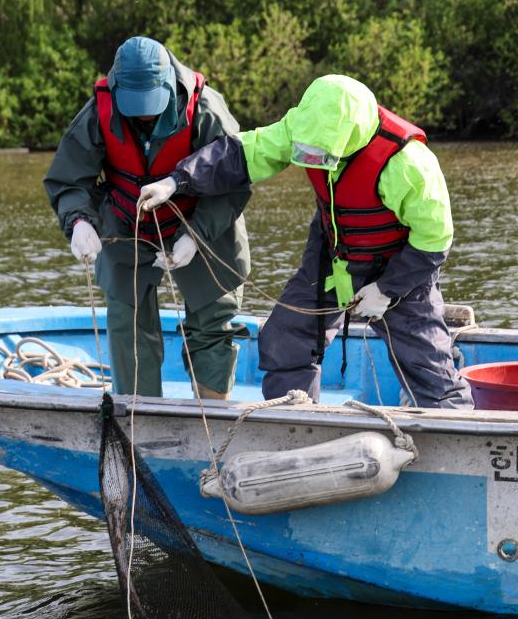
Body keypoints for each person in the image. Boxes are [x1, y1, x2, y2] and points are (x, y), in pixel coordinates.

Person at [138, 74, 473, 409]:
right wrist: (177, 181)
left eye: (321, 153)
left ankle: (452, 427)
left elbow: (434, 240)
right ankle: (294, 422)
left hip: (402, 264)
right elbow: (244, 153)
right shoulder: (299, 125)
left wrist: (387, 289)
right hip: (332, 253)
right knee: (285, 339)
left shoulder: (409, 162)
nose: (312, 160)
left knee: (426, 363)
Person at [44, 36, 250, 399]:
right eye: (135, 104)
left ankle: (214, 411)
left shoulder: (207, 111)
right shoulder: (98, 112)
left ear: (169, 81)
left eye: (151, 103)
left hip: (203, 219)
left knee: (214, 320)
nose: (144, 113)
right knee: (128, 322)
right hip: (127, 224)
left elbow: (234, 181)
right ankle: (139, 414)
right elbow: (68, 179)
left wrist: (195, 236)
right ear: (117, 86)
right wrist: (79, 222)